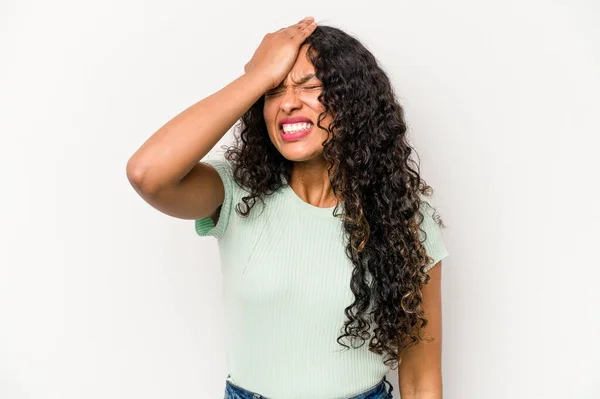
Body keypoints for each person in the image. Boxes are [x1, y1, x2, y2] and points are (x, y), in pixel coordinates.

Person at [127, 16, 449, 399]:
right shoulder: (236, 191)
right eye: (273, 91)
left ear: (353, 100)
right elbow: (148, 173)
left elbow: (420, 380)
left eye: (309, 85)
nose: (288, 103)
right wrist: (256, 76)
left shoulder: (404, 218)